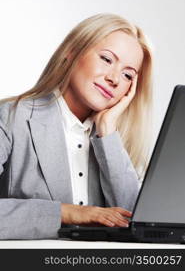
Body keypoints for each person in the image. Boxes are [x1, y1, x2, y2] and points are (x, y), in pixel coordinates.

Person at [0, 13, 153, 239]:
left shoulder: (113, 143)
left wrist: (108, 133)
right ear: (72, 52)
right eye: (107, 59)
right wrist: (68, 213)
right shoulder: (11, 117)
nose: (114, 78)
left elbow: (140, 227)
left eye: (128, 75)